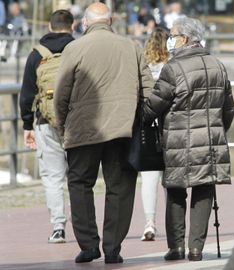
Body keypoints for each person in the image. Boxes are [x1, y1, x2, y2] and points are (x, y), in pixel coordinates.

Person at [54, 2, 155, 264]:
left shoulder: (74, 48)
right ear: (110, 22)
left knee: (79, 185)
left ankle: (88, 245)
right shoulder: (131, 47)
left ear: (85, 23)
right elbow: (148, 91)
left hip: (82, 129)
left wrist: (62, 126)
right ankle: (113, 248)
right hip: (123, 130)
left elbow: (61, 94)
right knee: (120, 188)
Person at [142, 17, 234, 261]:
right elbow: (229, 108)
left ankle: (176, 247)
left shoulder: (173, 68)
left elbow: (154, 105)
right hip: (210, 141)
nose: (170, 40)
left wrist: (140, 118)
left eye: (173, 35)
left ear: (183, 39)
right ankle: (196, 248)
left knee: (175, 191)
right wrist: (217, 129)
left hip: (177, 142)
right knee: (204, 190)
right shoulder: (218, 65)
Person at [19, 9, 74, 245]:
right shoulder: (78, 49)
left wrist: (27, 124)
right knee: (79, 177)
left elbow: (27, 94)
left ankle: (58, 227)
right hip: (76, 122)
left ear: (50, 27)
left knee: (53, 177)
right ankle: (85, 227)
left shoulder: (36, 54)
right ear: (72, 27)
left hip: (45, 122)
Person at [140, 27, 169, 242]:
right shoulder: (173, 66)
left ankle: (149, 223)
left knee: (149, 178)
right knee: (171, 177)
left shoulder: (144, 66)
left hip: (148, 126)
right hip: (169, 126)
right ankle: (173, 222)